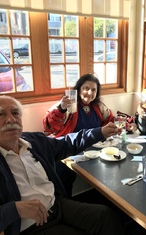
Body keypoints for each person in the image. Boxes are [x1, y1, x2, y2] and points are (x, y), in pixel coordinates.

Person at [0, 95, 125, 235]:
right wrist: (15, 209)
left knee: (105, 216)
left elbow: (68, 142)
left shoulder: (34, 141)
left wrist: (100, 132)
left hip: (56, 205)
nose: (11, 119)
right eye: (1, 114)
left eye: (15, 113)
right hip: (30, 226)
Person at [43, 73, 114, 197]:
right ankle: (65, 204)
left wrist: (125, 125)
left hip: (94, 150)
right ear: (79, 89)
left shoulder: (99, 107)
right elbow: (50, 126)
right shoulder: (69, 105)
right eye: (86, 88)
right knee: (64, 177)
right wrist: (61, 109)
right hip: (70, 151)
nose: (89, 93)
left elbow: (110, 122)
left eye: (93, 90)